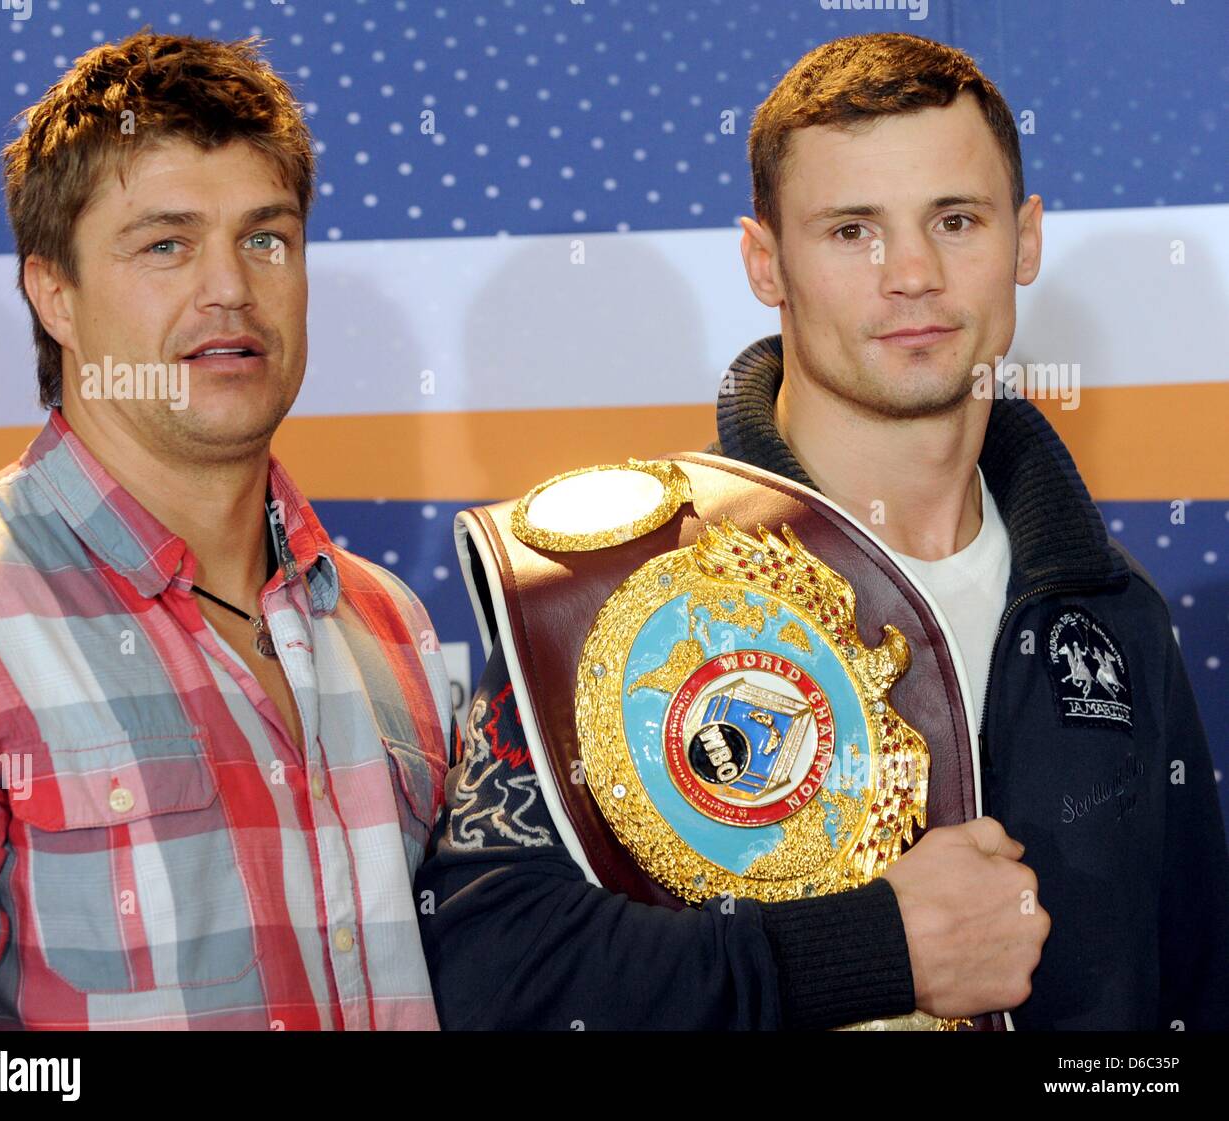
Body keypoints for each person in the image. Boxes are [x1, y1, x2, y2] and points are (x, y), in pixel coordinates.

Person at [416, 32, 1229, 1030]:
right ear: (765, 261)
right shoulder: (617, 583)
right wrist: (872, 954)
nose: (914, 274)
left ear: (1025, 241)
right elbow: (495, 976)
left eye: (956, 220)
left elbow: (1187, 998)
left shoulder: (1107, 612)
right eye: (852, 231)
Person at [0, 30, 454, 1030]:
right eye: (165, 243)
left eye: (266, 237)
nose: (231, 288)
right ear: (54, 295)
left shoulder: (390, 624)